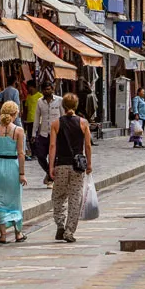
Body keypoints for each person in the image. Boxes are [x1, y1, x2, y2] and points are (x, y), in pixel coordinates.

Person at [50, 93, 91, 243]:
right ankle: (69, 231)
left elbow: (52, 146)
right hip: (77, 166)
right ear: (76, 105)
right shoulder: (83, 123)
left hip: (61, 164)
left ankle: (60, 224)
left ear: (63, 106)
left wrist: (51, 166)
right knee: (75, 198)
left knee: (58, 196)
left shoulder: (56, 124)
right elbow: (87, 145)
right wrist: (89, 164)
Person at [0, 100, 28, 243]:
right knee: (15, 201)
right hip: (13, 166)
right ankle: (18, 233)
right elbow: (21, 154)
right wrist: (22, 173)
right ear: (15, 114)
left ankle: (3, 235)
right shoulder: (18, 130)